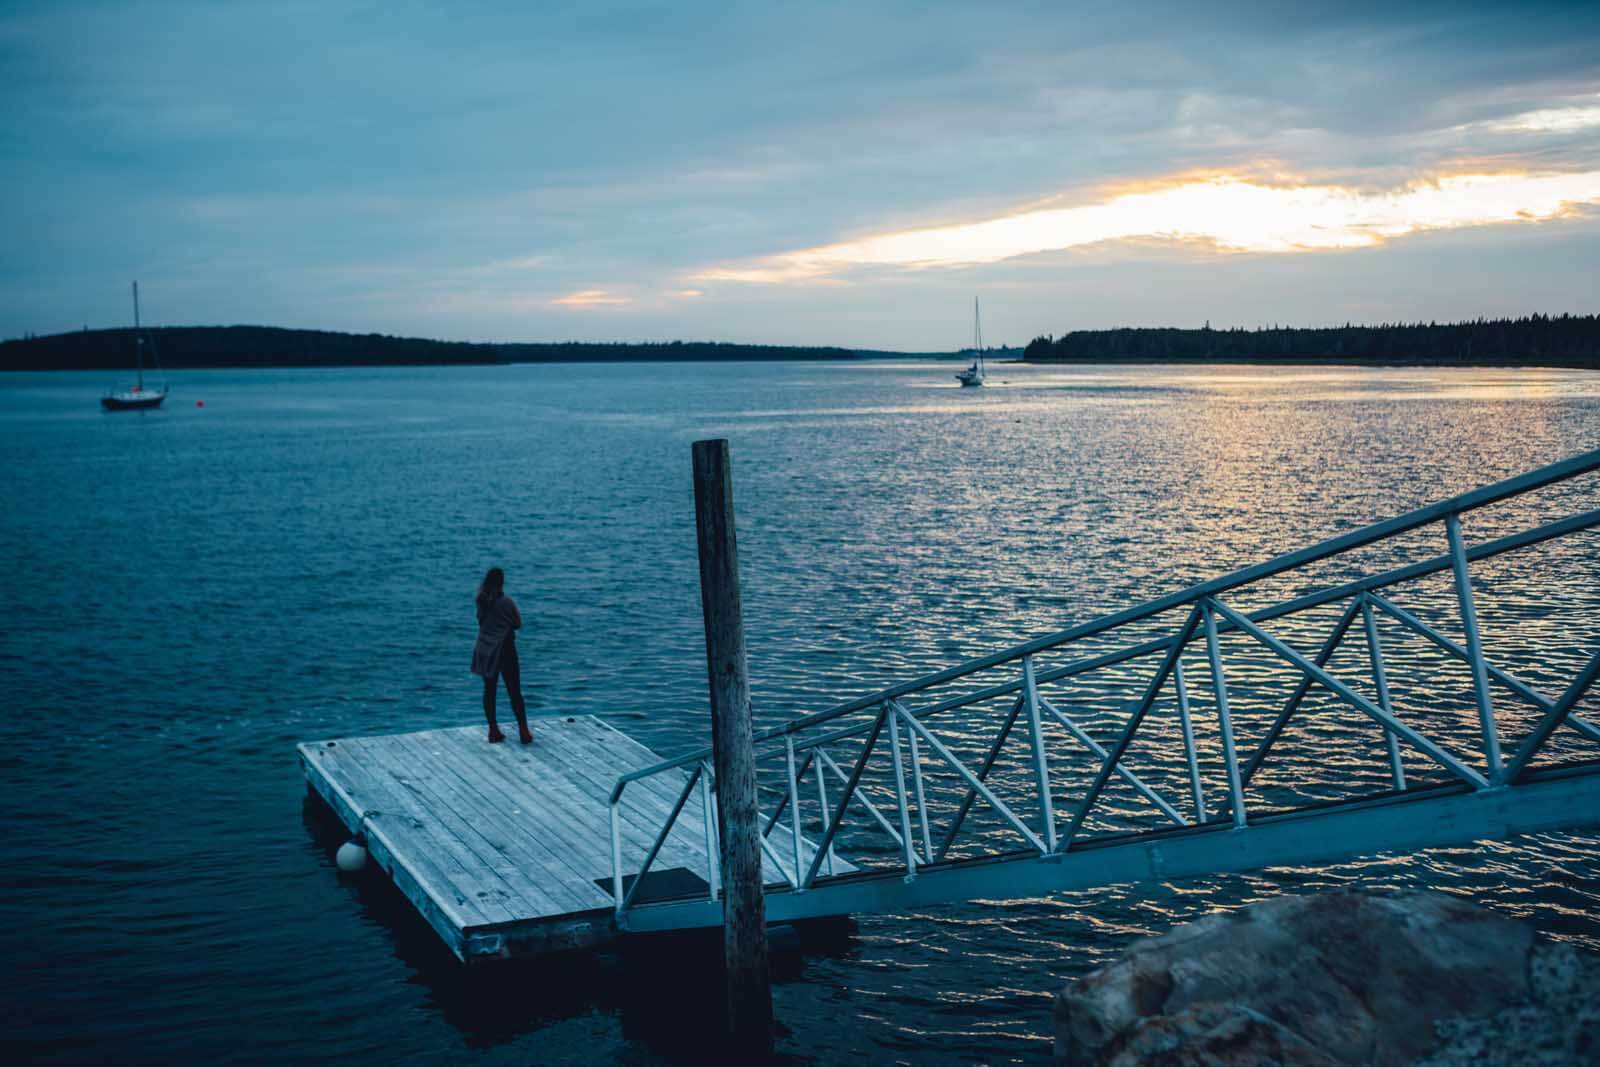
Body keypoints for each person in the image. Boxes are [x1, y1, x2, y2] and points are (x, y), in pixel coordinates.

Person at [470, 566, 532, 744]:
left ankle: (493, 730)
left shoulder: (480, 600)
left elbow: (480, 621)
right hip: (505, 649)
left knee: (489, 691)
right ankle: (524, 731)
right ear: (502, 582)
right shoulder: (507, 602)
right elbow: (518, 623)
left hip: (485, 650)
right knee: (514, 691)